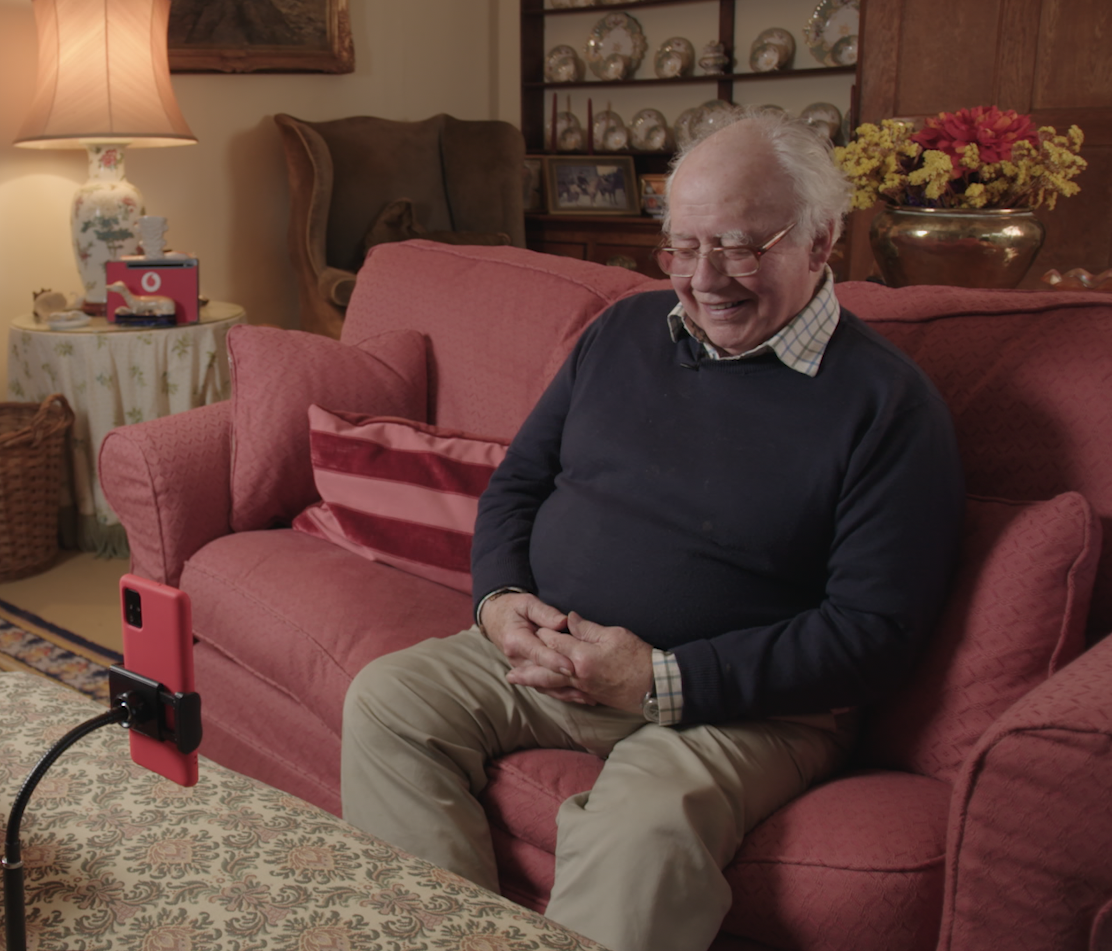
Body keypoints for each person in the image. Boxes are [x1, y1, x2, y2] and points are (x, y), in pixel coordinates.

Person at [340, 110, 964, 951]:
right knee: (389, 700)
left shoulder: (888, 406)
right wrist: (500, 600)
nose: (703, 279)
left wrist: (659, 679)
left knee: (643, 825)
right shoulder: (622, 330)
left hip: (746, 707)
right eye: (682, 246)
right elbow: (518, 482)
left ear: (819, 241)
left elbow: (873, 635)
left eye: (737, 247)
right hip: (553, 648)